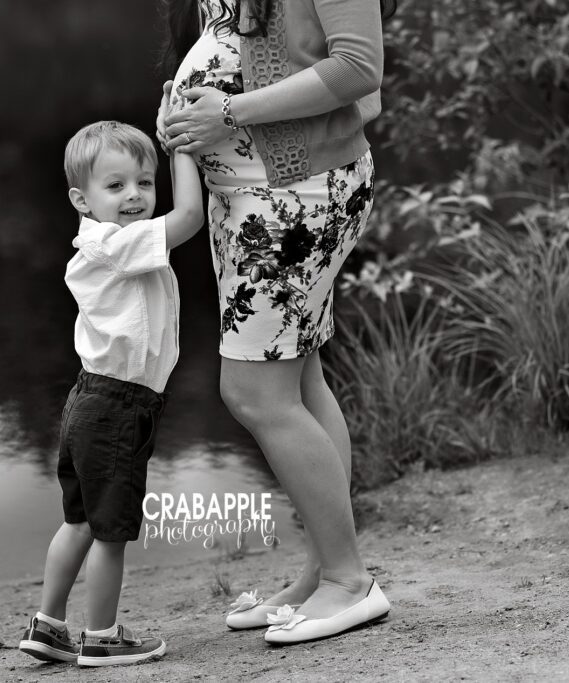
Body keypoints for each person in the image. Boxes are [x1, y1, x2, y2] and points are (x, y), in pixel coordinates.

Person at [155, 0, 396, 645]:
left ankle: (351, 581)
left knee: (253, 392)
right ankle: (323, 575)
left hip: (296, 197)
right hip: (245, 198)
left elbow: (358, 72)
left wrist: (225, 111)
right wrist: (185, 112)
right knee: (301, 383)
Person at [17, 121, 203, 666]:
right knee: (111, 532)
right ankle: (101, 637)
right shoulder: (118, 244)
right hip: (117, 406)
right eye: (116, 186)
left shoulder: (102, 243)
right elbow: (190, 217)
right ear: (82, 199)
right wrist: (181, 150)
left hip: (90, 400)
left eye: (144, 183)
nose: (135, 196)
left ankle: (48, 625)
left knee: (78, 521)